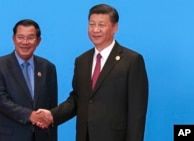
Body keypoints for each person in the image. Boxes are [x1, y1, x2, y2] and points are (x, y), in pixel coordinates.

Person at [36, 3, 148, 141]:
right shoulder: (81, 60)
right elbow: (77, 99)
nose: (95, 30)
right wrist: (52, 115)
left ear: (115, 27)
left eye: (101, 25)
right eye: (91, 24)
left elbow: (137, 111)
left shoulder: (132, 60)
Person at [0, 19, 58, 141]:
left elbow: (51, 107)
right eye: (20, 37)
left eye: (30, 37)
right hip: (8, 137)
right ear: (13, 39)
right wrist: (30, 115)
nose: (25, 42)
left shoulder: (48, 68)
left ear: (38, 41)